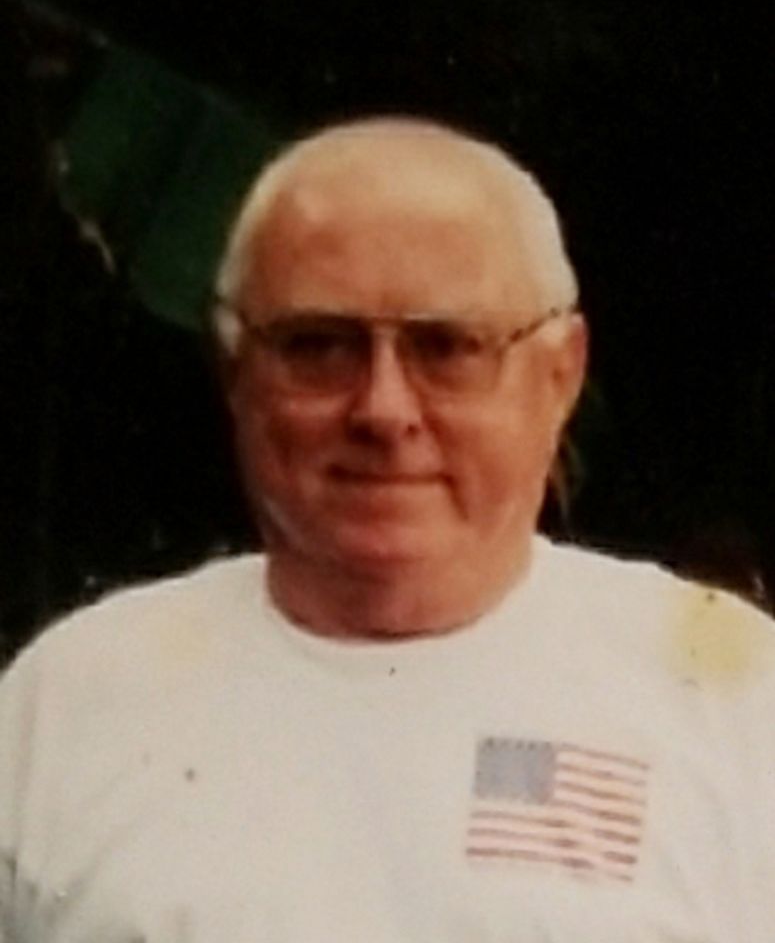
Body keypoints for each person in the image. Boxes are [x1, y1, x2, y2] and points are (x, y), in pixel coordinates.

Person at [1, 117, 774, 942]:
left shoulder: (728, 703)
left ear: (560, 374)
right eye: (318, 346)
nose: (383, 409)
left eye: (447, 347)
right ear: (235, 371)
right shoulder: (71, 701)